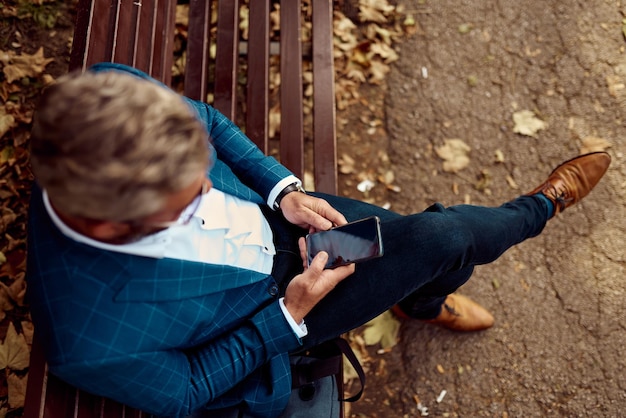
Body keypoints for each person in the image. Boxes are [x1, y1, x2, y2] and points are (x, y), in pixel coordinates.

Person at [26, 63, 611, 418]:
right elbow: (185, 391)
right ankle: (540, 208)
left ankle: (424, 298)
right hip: (281, 305)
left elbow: (207, 121)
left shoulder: (109, 97)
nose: (210, 188)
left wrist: (282, 193)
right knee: (443, 237)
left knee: (441, 243)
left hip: (295, 222)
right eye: (186, 201)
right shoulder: (89, 339)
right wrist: (290, 312)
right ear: (110, 225)